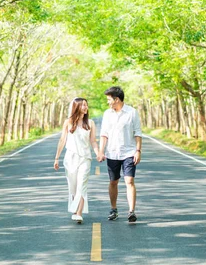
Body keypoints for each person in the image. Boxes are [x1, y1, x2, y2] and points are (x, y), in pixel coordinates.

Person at [98, 86, 142, 223]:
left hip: (129, 152)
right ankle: (114, 209)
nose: (108, 102)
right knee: (113, 181)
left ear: (117, 99)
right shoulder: (107, 114)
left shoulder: (132, 112)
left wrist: (138, 151)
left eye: (109, 99)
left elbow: (138, 133)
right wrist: (101, 151)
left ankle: (131, 211)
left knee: (129, 180)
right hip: (112, 153)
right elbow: (104, 134)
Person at [54, 97, 99, 224]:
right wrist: (57, 158)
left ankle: (79, 213)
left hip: (85, 158)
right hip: (70, 158)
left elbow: (93, 141)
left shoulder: (90, 123)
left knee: (81, 186)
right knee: (73, 187)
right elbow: (62, 140)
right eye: (83, 105)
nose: (85, 107)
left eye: (86, 105)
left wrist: (98, 153)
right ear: (76, 107)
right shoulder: (68, 122)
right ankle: (75, 210)